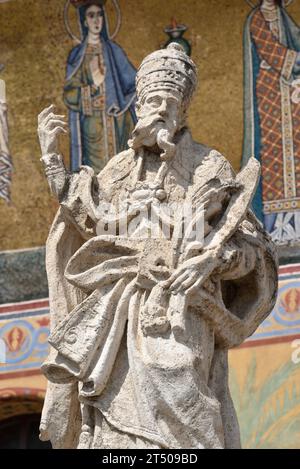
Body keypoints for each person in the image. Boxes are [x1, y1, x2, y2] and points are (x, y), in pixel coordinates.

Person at [38, 44, 277, 449]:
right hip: (121, 310)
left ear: (183, 111)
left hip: (180, 311)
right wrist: (51, 160)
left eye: (170, 102)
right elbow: (88, 218)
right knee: (115, 425)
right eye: (152, 101)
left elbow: (250, 250)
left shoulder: (208, 165)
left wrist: (214, 260)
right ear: (137, 108)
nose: (160, 110)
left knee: (185, 392)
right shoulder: (117, 170)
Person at [243, 0, 300, 243]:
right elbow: (272, 52)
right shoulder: (257, 18)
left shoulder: (286, 18)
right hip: (270, 93)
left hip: (293, 93)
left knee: (296, 152)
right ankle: (276, 229)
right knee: (274, 155)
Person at [64, 0, 137, 173]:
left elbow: (136, 83)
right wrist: (92, 90)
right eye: (91, 15)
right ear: (84, 21)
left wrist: (121, 103)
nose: (96, 20)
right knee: (96, 177)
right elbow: (69, 93)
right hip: (92, 127)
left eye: (100, 15)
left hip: (118, 124)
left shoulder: (114, 51)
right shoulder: (77, 55)